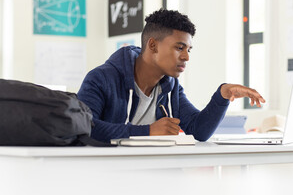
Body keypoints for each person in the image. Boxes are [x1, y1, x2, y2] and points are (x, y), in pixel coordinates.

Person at [78, 9, 265, 142]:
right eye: (179, 48)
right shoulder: (101, 79)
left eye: (189, 49)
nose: (186, 57)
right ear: (153, 45)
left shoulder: (170, 85)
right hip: (107, 176)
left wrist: (223, 95)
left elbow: (198, 130)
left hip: (156, 173)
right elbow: (84, 127)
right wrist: (148, 131)